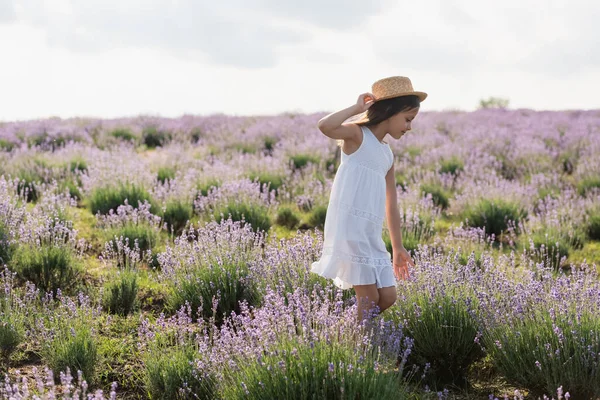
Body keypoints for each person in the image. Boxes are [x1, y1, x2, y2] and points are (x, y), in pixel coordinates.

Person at [310, 76, 427, 323]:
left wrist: (397, 247)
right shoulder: (357, 135)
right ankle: (353, 348)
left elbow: (391, 203)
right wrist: (355, 109)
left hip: (371, 233)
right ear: (390, 112)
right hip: (351, 228)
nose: (409, 127)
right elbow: (325, 126)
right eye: (408, 119)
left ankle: (340, 334)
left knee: (388, 297)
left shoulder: (386, 154)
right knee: (369, 299)